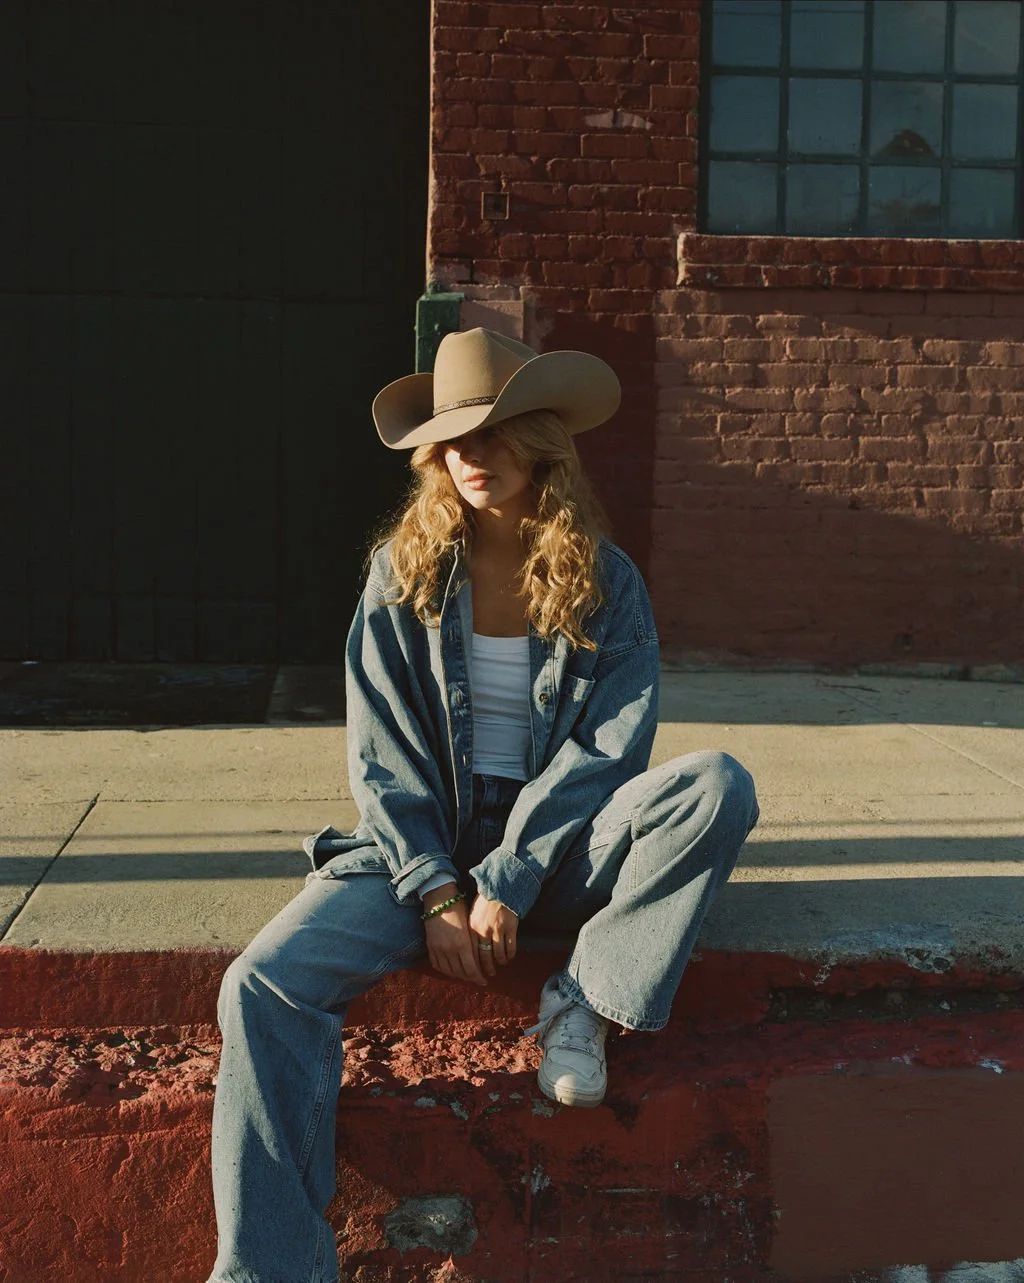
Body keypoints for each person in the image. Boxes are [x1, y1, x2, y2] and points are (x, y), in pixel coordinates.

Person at [207, 327, 759, 1283]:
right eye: (452, 439)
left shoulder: (608, 584)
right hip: (415, 847)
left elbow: (608, 751)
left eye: (494, 432)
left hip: (562, 848)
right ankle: (270, 1270)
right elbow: (381, 754)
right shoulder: (402, 575)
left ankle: (583, 995)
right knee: (260, 983)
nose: (470, 456)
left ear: (543, 440)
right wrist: (433, 891)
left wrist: (509, 876)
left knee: (716, 786)